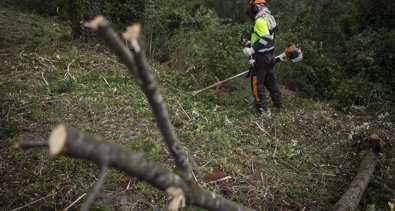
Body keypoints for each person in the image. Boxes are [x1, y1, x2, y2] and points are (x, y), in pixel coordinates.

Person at [242, 0, 283, 116]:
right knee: (270, 81)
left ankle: (262, 110)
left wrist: (252, 49)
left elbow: (264, 38)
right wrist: (251, 43)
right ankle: (278, 103)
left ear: (255, 8)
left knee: (256, 83)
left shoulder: (260, 20)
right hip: (270, 55)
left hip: (261, 58)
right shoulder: (269, 17)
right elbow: (268, 35)